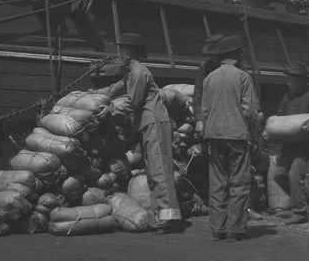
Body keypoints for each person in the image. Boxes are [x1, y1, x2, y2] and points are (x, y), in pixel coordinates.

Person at [93, 33, 182, 231]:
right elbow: (115, 88)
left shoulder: (140, 73)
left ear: (130, 52)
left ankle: (169, 217)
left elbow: (133, 102)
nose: (119, 54)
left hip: (155, 123)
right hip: (148, 125)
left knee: (159, 169)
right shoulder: (131, 73)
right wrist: (94, 95)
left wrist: (111, 110)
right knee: (153, 170)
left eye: (122, 50)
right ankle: (163, 213)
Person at [202, 35, 260, 241]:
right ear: (237, 55)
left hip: (214, 135)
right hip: (236, 136)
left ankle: (217, 230)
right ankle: (235, 230)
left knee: (217, 183)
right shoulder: (243, 77)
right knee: (239, 183)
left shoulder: (210, 78)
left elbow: (205, 110)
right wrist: (253, 134)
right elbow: (249, 112)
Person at [266, 62, 309, 225]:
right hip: (288, 145)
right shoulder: (286, 98)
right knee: (278, 175)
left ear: (302, 81)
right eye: (289, 80)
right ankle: (302, 198)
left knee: (294, 174)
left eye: (293, 80)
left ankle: (300, 213)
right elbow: (281, 119)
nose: (289, 83)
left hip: (304, 146)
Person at [193, 33, 224, 137]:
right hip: (211, 114)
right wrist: (198, 120)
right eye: (211, 55)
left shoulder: (235, 67)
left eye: (216, 55)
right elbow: (198, 94)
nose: (213, 58)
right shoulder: (205, 67)